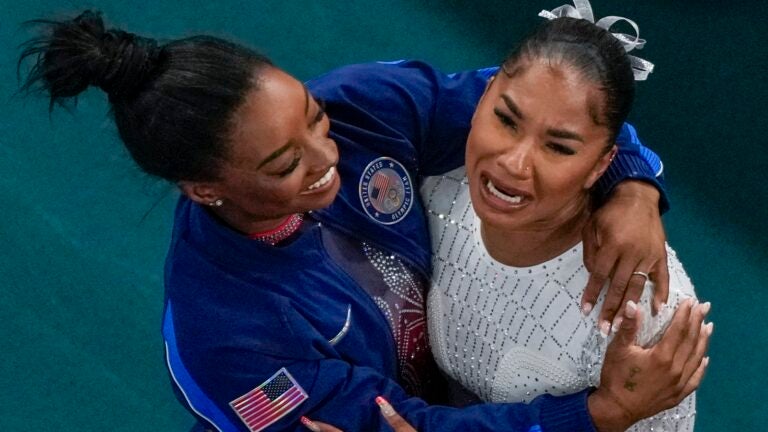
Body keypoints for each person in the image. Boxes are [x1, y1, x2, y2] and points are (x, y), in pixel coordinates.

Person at [18, 9, 710, 432]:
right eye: (285, 164)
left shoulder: (359, 105)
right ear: (204, 189)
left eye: (312, 119)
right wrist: (597, 417)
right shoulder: (229, 340)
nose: (327, 157)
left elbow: (534, 104)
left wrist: (633, 182)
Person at [422, 3, 709, 431]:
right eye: (506, 120)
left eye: (558, 147)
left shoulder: (642, 301)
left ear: (602, 164)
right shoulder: (435, 185)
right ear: (482, 97)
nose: (514, 164)